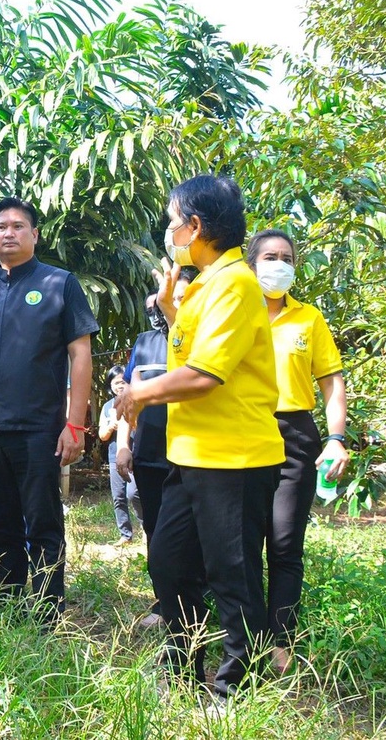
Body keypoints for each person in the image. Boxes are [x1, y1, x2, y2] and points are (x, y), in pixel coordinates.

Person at [115, 174, 284, 699]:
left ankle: (237, 690)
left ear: (196, 226)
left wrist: (138, 395)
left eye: (173, 221)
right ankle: (183, 669)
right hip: (192, 456)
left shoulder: (234, 283)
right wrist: (172, 312)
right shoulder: (207, 284)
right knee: (168, 562)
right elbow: (190, 356)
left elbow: (204, 376)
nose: (169, 232)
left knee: (231, 575)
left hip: (233, 457)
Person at [0, 197, 99, 621]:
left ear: (34, 234)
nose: (8, 233)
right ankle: (6, 609)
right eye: (0, 227)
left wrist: (74, 424)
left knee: (42, 523)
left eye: (18, 226)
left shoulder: (59, 283)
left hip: (38, 430)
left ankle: (48, 612)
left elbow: (80, 354)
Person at [247, 228, 349, 675]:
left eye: (286, 256)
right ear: (252, 262)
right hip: (243, 432)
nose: (278, 263)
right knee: (243, 542)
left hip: (295, 435)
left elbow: (330, 380)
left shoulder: (309, 318)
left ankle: (280, 641)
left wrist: (336, 437)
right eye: (269, 255)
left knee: (285, 543)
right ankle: (244, 635)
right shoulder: (234, 309)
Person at [115, 279, 192, 628]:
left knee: (194, 534)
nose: (170, 301)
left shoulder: (200, 341)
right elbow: (128, 399)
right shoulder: (144, 344)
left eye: (179, 295)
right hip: (149, 453)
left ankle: (196, 603)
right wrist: (123, 446)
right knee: (156, 532)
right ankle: (164, 605)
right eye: (165, 296)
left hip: (191, 453)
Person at [97, 365, 140, 544]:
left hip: (135, 452)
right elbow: (102, 435)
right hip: (115, 455)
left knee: (135, 493)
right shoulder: (108, 406)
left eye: (122, 381)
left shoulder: (136, 400)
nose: (119, 386)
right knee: (119, 496)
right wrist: (111, 425)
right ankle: (125, 535)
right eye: (115, 383)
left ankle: (147, 527)